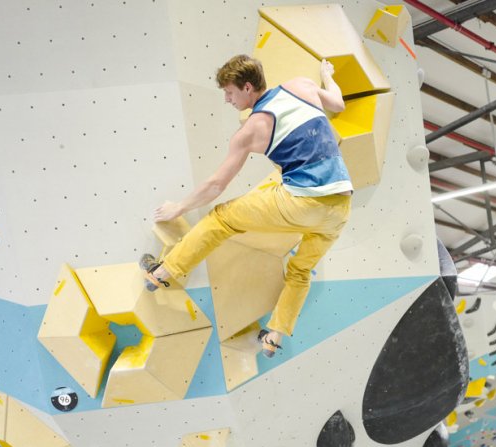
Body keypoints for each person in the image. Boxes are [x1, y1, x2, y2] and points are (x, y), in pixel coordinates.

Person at [145, 55, 353, 358]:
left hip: (301, 203)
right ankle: (274, 335)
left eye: (229, 92)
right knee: (300, 271)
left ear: (246, 87)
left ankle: (163, 272)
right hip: (340, 207)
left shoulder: (252, 129)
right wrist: (327, 74)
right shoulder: (302, 86)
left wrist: (179, 207)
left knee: (222, 219)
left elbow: (216, 186)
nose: (227, 99)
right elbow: (338, 104)